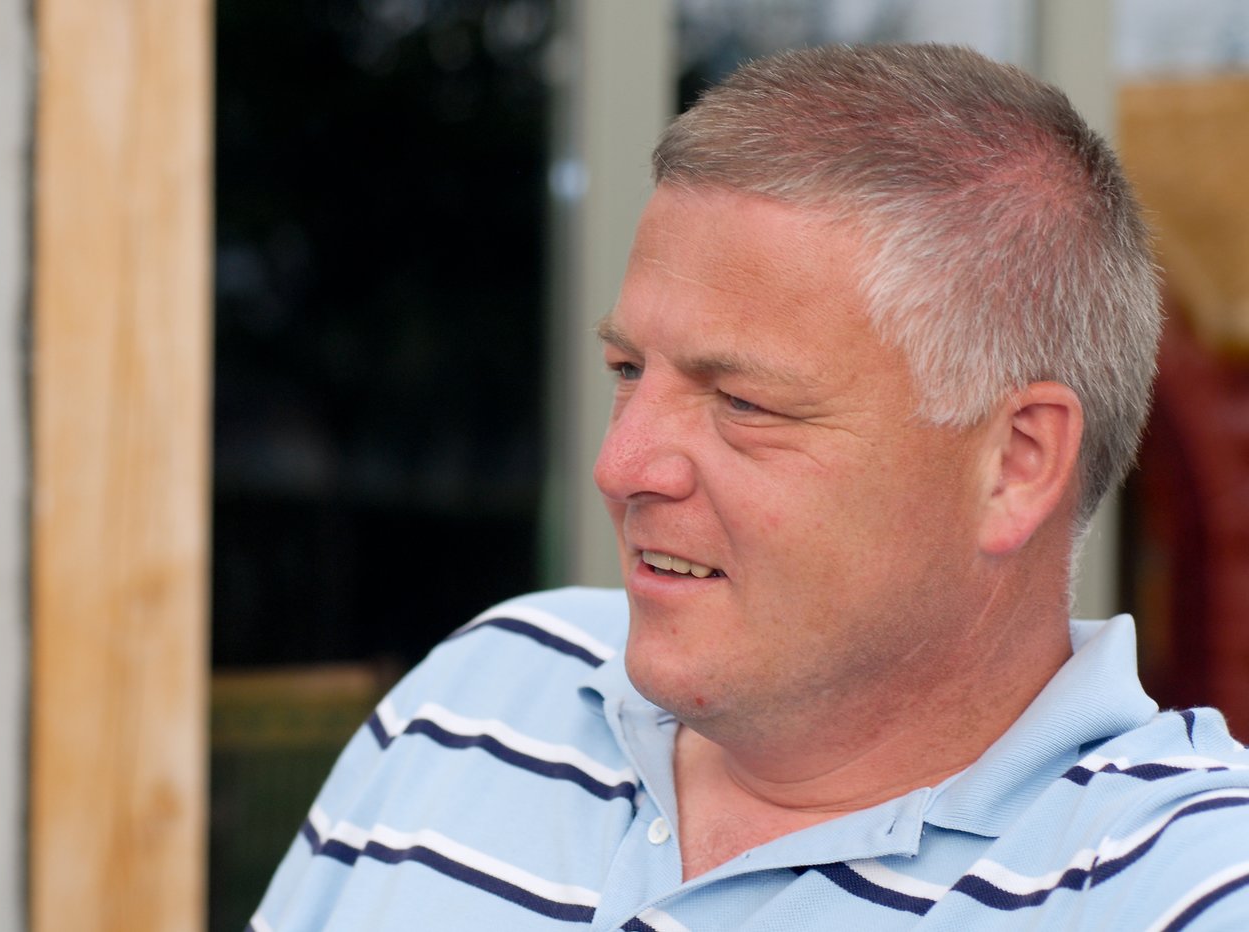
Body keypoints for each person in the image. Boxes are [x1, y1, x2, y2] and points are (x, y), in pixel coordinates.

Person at [250, 44, 1249, 931]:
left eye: (741, 401)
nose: (622, 464)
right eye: (627, 371)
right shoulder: (488, 691)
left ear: (1016, 462)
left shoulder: (1172, 883)